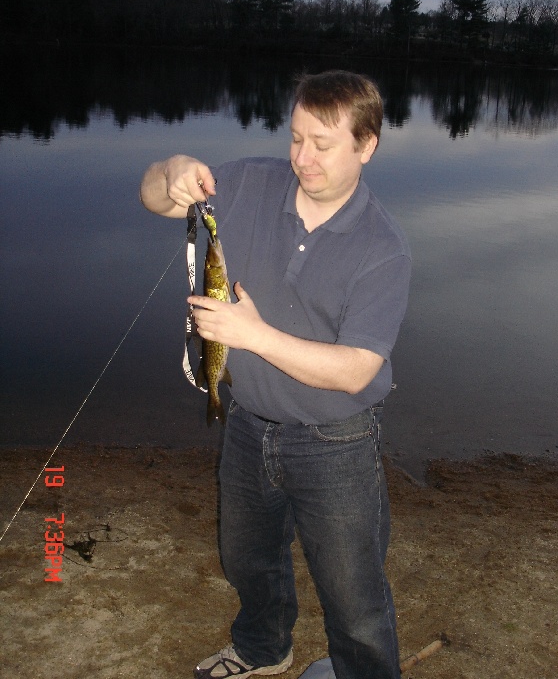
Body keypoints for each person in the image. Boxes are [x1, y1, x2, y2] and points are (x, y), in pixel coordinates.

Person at [139, 70, 411, 679]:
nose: (302, 158)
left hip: (334, 442)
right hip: (247, 426)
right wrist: (172, 169)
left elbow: (357, 370)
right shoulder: (249, 183)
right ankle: (263, 649)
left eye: (322, 144)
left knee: (354, 596)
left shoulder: (383, 247)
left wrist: (252, 335)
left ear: (366, 147)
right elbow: (153, 198)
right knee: (247, 560)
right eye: (295, 138)